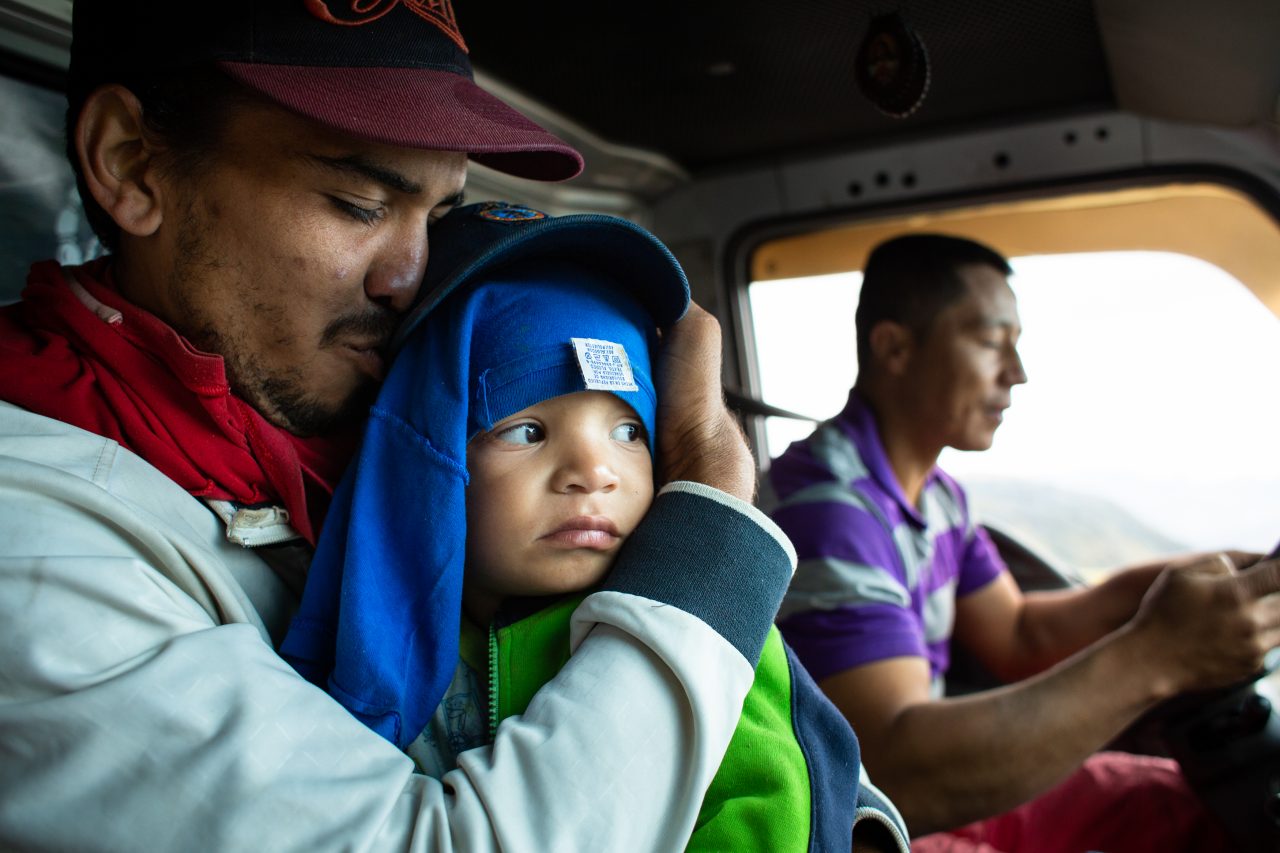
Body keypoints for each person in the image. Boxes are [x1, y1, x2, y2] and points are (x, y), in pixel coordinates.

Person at [0, 3, 833, 850]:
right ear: (131, 164)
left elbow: (776, 734)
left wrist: (848, 816)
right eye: (360, 202)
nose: (409, 276)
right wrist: (707, 515)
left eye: (437, 221)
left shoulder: (376, 425)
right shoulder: (33, 535)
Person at [280, 201, 908, 851]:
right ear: (426, 467)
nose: (594, 471)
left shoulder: (705, 632)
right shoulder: (370, 639)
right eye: (526, 430)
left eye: (628, 430)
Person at [766, 233, 1280, 853]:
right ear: (894, 347)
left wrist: (1199, 579)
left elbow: (1019, 635)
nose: (1017, 374)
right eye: (990, 343)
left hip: (918, 801)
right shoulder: (830, 510)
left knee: (1180, 805)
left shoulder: (938, 497)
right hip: (857, 823)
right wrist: (1161, 656)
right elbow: (893, 769)